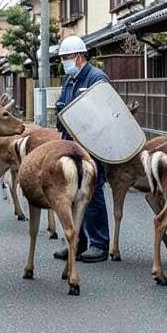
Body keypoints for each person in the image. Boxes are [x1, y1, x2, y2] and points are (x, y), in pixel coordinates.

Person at [52, 35, 111, 264]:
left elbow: (104, 114)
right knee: (74, 194)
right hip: (71, 144)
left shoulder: (97, 79)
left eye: (66, 58)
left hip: (93, 145)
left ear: (78, 57)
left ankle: (99, 243)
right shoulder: (70, 80)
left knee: (93, 193)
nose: (64, 62)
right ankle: (77, 242)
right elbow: (63, 107)